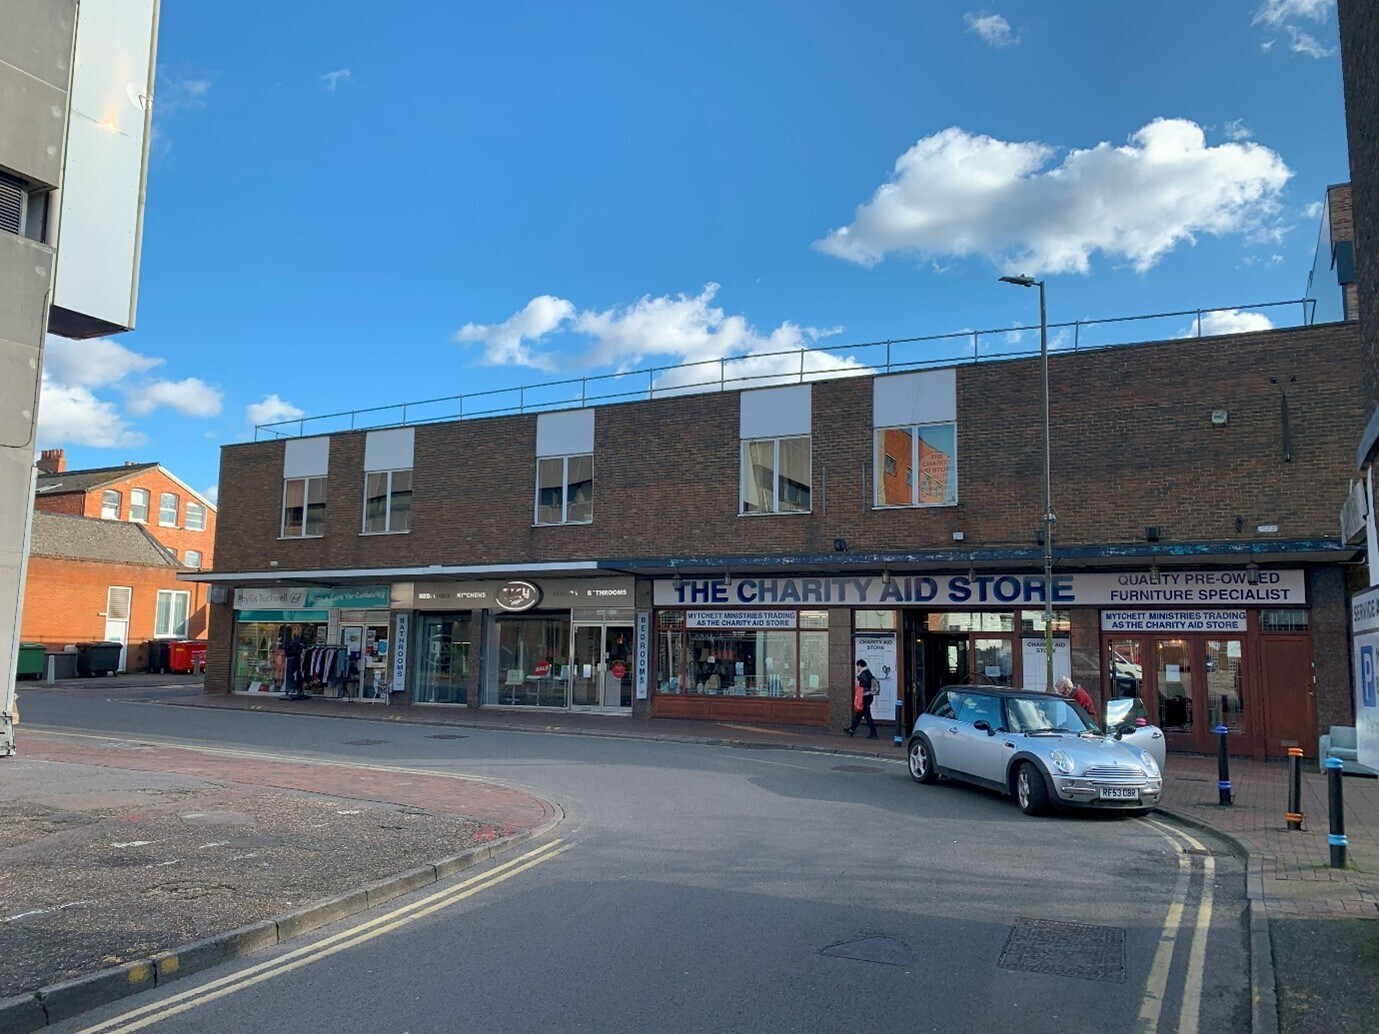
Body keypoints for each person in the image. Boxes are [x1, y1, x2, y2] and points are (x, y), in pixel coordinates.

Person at [845, 659, 877, 738]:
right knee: (859, 715)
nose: (857, 668)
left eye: (857, 666)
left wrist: (859, 680)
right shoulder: (868, 672)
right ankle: (852, 730)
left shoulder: (863, 673)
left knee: (866, 715)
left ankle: (873, 733)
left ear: (860, 665)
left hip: (865, 697)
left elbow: (864, 684)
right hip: (867, 696)